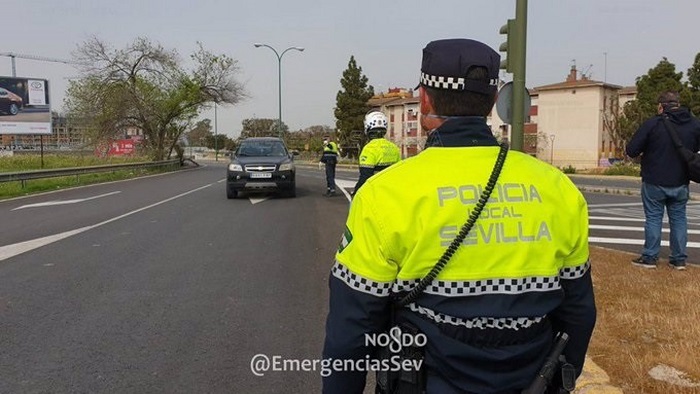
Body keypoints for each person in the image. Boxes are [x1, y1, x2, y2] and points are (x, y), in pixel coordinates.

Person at [322, 38, 596, 393]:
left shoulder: (383, 194)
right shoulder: (558, 188)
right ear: (494, 102)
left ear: (424, 100)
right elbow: (578, 313)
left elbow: (351, 328)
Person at [626, 91, 700, 270]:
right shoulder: (694, 125)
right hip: (681, 181)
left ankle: (650, 257)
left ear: (661, 106)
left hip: (654, 181)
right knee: (679, 219)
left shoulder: (653, 124)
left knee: (653, 218)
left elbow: (632, 150)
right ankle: (679, 259)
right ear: (678, 104)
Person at [351, 111, 401, 195]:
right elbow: (399, 173)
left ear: (367, 127)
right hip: (392, 193)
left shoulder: (369, 149)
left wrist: (356, 193)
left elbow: (365, 177)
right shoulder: (394, 147)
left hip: (376, 193)